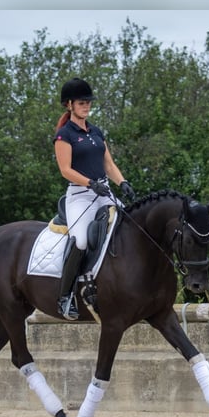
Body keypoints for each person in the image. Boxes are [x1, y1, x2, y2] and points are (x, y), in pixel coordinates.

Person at [53, 77, 135, 320]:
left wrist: (123, 182)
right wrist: (90, 183)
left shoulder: (96, 131)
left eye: (88, 102)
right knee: (79, 241)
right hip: (80, 195)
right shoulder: (64, 135)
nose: (86, 106)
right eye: (81, 102)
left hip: (104, 191)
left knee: (130, 227)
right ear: (69, 105)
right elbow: (65, 169)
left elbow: (108, 164)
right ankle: (65, 297)